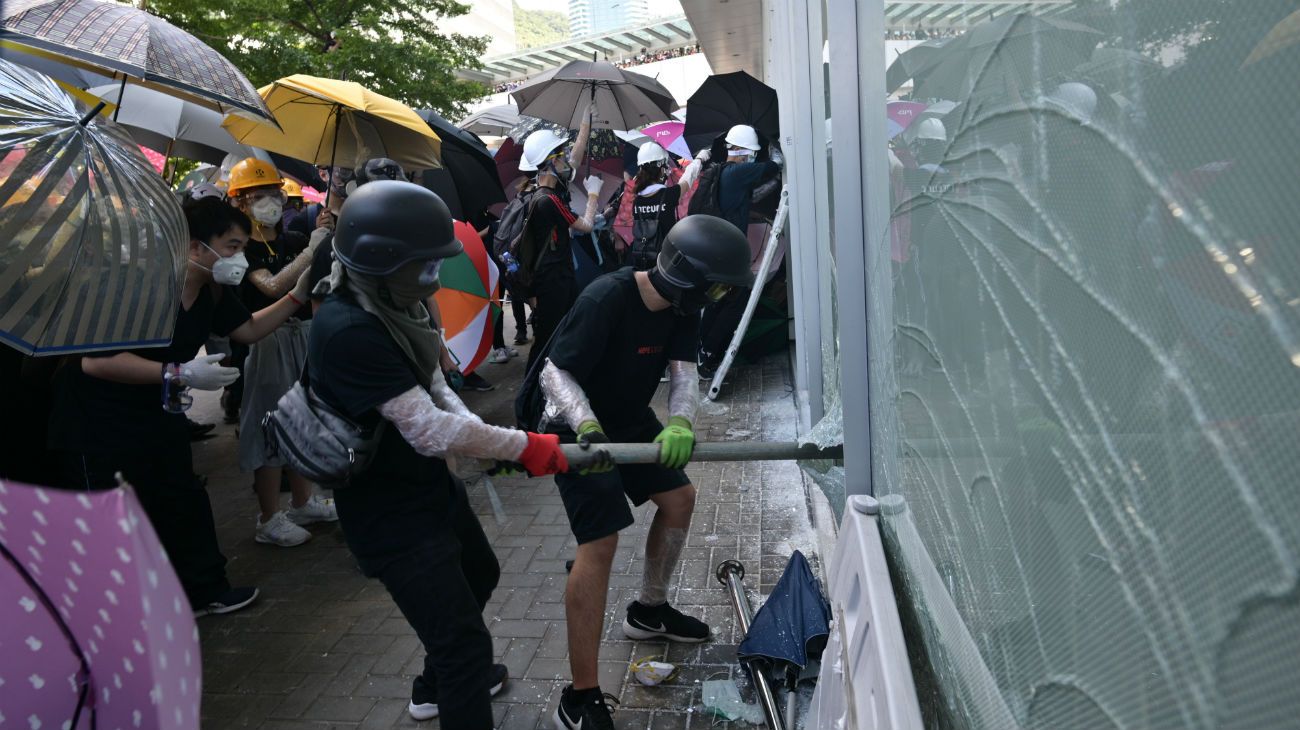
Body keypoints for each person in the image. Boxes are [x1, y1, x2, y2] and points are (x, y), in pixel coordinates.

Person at [307, 180, 569, 727]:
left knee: (480, 574)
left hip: (424, 486)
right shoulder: (349, 327)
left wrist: (476, 433)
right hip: (385, 512)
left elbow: (433, 381)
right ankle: (450, 676)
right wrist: (524, 446)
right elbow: (425, 427)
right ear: (382, 261)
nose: (435, 275)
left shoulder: (401, 305)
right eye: (425, 264)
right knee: (464, 648)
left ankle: (433, 685)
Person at [528, 216, 755, 730]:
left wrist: (680, 422)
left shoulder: (680, 308)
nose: (719, 296)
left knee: (679, 498)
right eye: (716, 285)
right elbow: (554, 373)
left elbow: (682, 375)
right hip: (572, 423)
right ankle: (580, 696)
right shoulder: (605, 299)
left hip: (627, 415)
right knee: (600, 539)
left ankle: (649, 610)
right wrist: (586, 426)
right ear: (689, 277)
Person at [49, 197, 318, 617]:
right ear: (195, 246)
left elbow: (247, 330)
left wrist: (298, 296)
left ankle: (203, 589)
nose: (239, 257)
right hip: (98, 423)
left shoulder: (212, 289)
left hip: (157, 414)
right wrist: (179, 374)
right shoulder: (138, 285)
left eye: (242, 246)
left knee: (183, 497)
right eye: (230, 246)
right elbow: (96, 361)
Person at [226, 157, 336, 547]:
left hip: (299, 336)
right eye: (259, 196)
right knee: (270, 423)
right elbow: (272, 286)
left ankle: (303, 502)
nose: (270, 202)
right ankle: (269, 516)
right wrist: (312, 250)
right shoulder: (241, 248)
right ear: (240, 202)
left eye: (274, 193)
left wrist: (320, 240)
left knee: (299, 419)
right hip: (266, 343)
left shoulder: (287, 240)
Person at [695, 124, 784, 379]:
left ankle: (703, 349)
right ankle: (710, 353)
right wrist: (775, 145)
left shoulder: (722, 172)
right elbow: (773, 165)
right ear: (743, 151)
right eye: (752, 152)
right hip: (728, 253)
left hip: (717, 249)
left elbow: (745, 200)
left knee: (716, 299)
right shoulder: (738, 171)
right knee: (737, 299)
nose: (754, 157)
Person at [515, 114, 602, 369]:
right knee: (546, 338)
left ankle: (554, 381)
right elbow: (584, 226)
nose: (566, 158)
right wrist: (593, 194)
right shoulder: (548, 200)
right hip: (553, 279)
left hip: (554, 276)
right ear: (550, 162)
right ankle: (530, 393)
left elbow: (575, 157)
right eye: (560, 154)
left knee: (561, 330)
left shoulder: (539, 191)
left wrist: (586, 121)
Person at [619, 141, 705, 270]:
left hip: (642, 258)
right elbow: (688, 179)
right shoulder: (668, 195)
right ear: (661, 167)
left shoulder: (637, 200)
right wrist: (699, 159)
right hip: (665, 260)